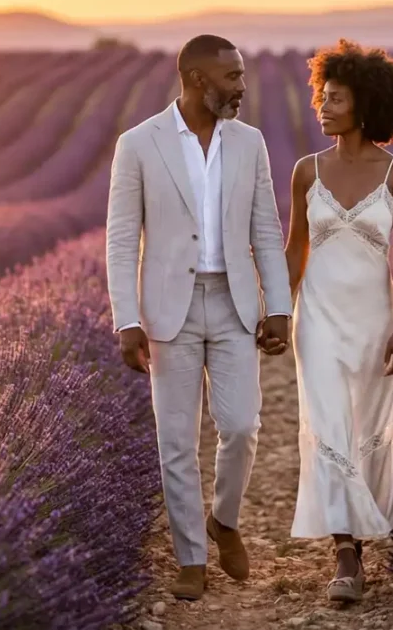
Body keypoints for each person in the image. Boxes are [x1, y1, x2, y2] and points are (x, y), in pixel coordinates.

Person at [105, 34, 292, 601]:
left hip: (233, 303)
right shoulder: (138, 144)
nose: (241, 86)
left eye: (240, 75)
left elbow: (265, 228)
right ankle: (191, 557)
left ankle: (224, 520)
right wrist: (125, 318)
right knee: (176, 441)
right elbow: (120, 239)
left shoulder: (249, 142)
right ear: (195, 79)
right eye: (231, 76)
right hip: (169, 312)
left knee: (240, 426)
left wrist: (279, 305)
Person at [280, 38, 393, 603]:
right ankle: (345, 553)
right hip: (316, 317)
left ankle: (361, 529)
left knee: (366, 426)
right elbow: (295, 250)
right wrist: (270, 312)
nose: (322, 107)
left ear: (365, 105)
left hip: (373, 318)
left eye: (334, 98)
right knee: (330, 421)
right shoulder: (305, 171)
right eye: (321, 97)